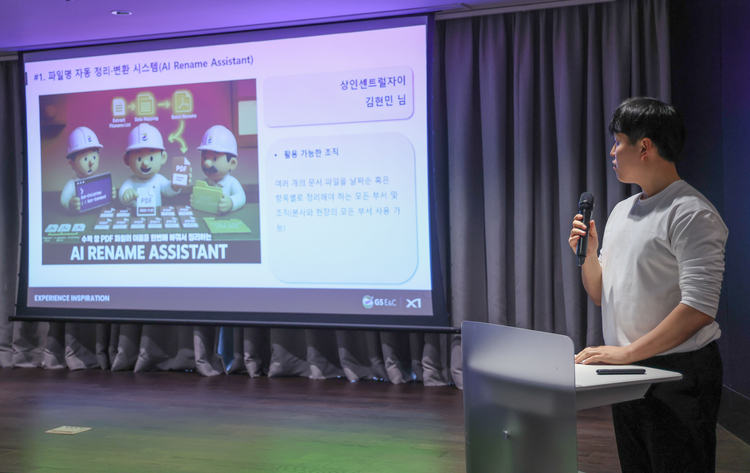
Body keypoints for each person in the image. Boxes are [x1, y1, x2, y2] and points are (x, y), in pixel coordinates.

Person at [568, 97, 728, 473]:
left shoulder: (691, 213)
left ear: (644, 147)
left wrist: (626, 354)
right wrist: (588, 255)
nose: (612, 152)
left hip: (678, 373)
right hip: (630, 371)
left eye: (618, 142)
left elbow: (700, 309)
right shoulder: (622, 210)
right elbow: (600, 294)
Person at [119, 123, 190, 207]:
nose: (145, 163)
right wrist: (126, 194)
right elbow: (123, 191)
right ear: (127, 160)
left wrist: (175, 186)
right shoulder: (131, 181)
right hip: (135, 215)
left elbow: (167, 190)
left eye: (151, 158)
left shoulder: (158, 179)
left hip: (156, 214)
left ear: (163, 157)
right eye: (139, 159)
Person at [190, 125, 246, 214]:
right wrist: (196, 200)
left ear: (232, 163)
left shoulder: (231, 182)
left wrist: (231, 202)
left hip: (226, 220)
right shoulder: (205, 183)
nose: (207, 163)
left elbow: (241, 197)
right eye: (205, 158)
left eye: (215, 159)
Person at [60, 126, 116, 211]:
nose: (91, 162)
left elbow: (105, 194)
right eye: (85, 159)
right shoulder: (72, 184)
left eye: (94, 157)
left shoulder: (99, 182)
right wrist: (69, 203)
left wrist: (111, 194)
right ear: (71, 164)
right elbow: (64, 198)